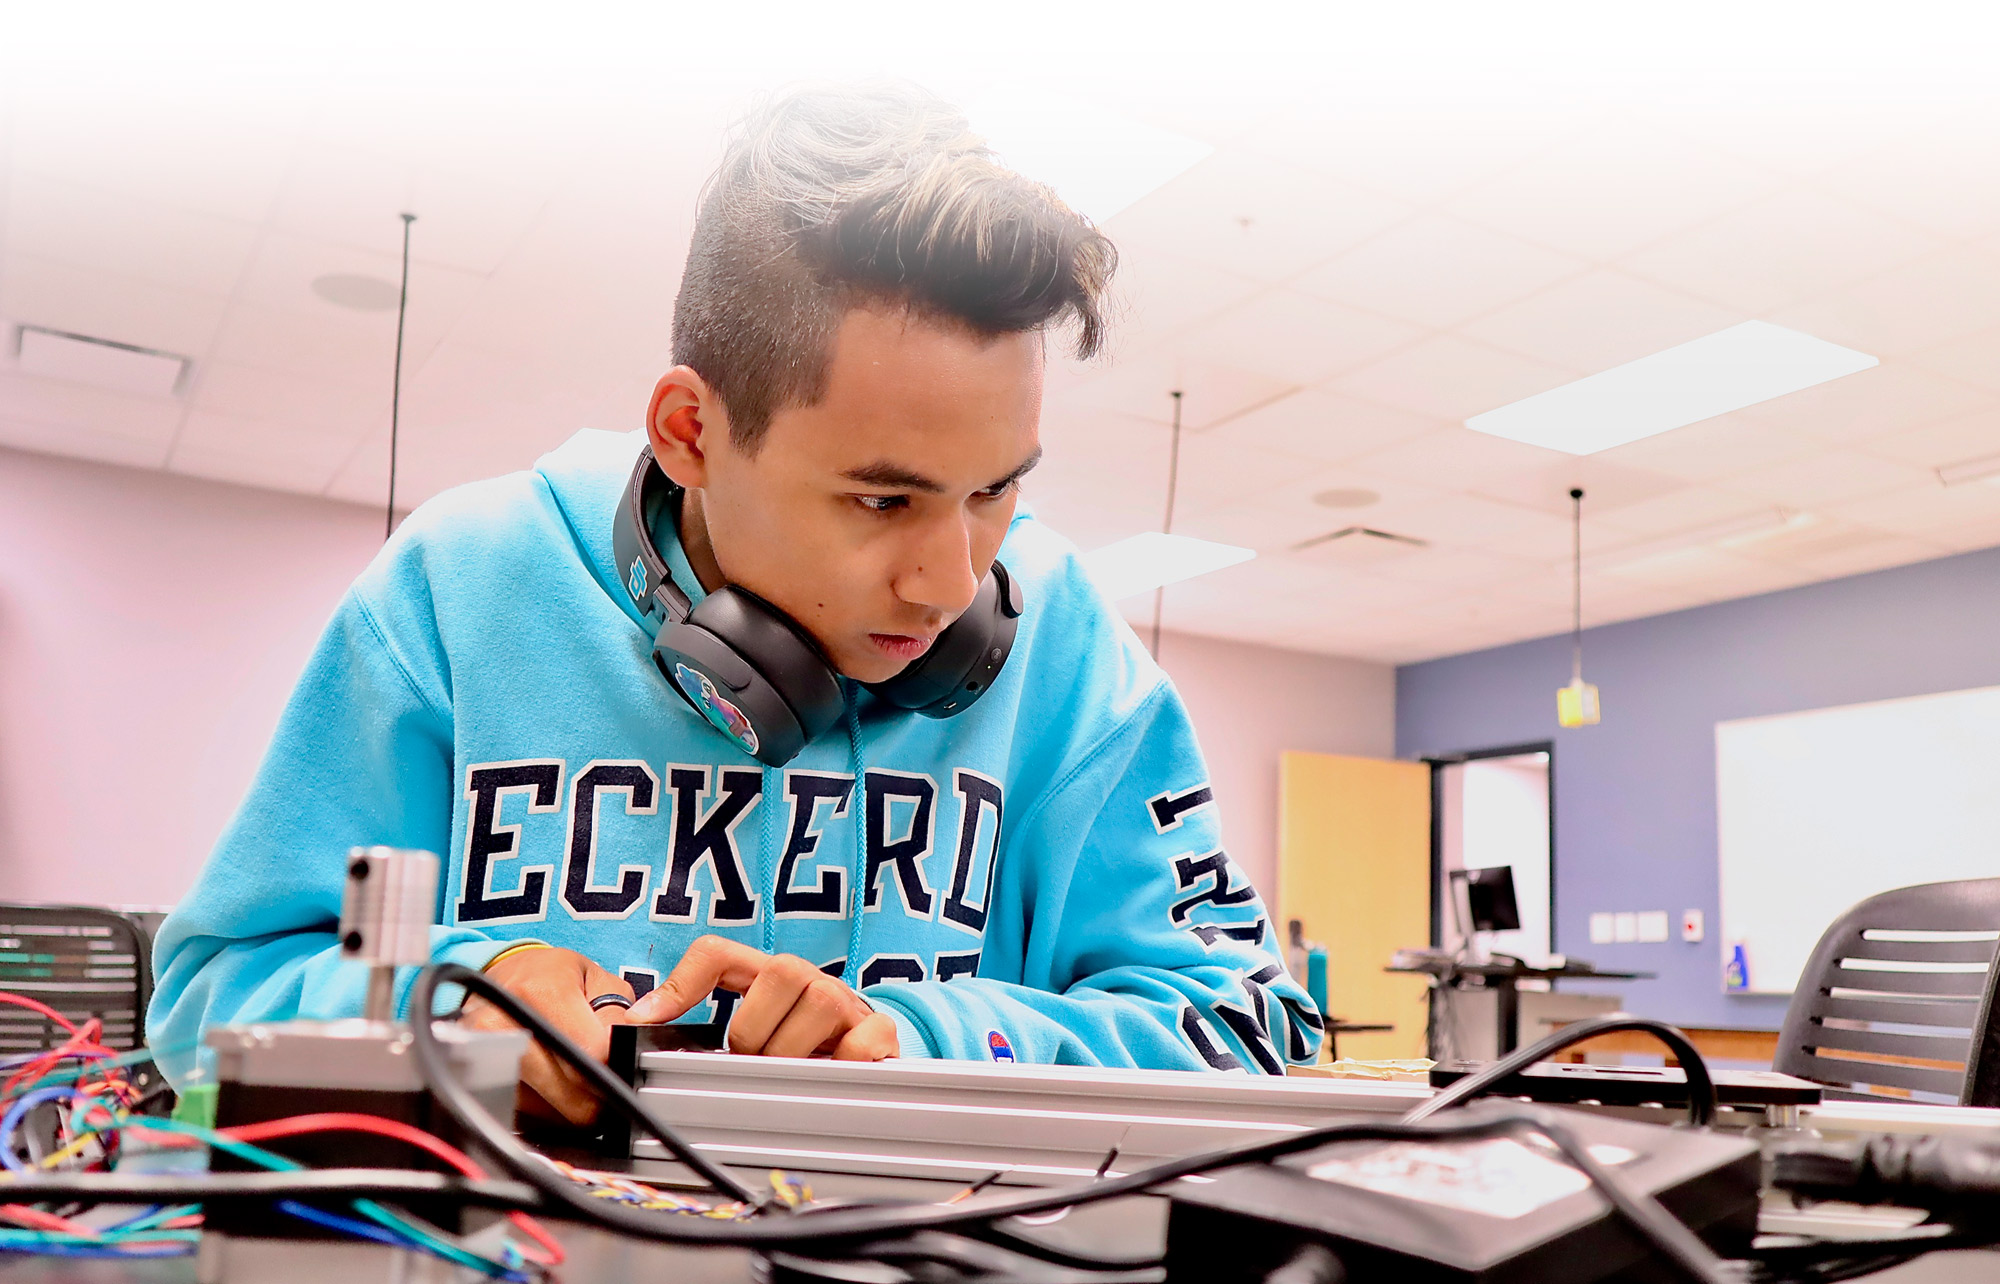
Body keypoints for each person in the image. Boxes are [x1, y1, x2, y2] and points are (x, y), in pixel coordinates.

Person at [148, 83, 1323, 1123]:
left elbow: (1248, 1027)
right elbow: (215, 995)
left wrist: (925, 1040)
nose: (955, 582)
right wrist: (454, 998)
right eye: (878, 501)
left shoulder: (1060, 640)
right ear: (690, 432)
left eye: (995, 489)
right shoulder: (458, 589)